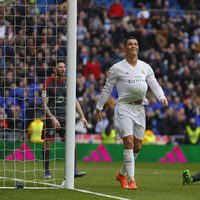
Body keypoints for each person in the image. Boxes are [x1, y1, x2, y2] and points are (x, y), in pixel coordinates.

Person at [94, 36, 168, 190]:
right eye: (130, 44)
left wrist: (161, 96)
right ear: (125, 48)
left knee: (138, 146)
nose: (133, 46)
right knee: (128, 142)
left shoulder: (145, 67)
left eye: (135, 44)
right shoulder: (117, 68)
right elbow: (107, 88)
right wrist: (99, 107)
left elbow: (153, 82)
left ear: (138, 47)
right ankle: (131, 180)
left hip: (140, 108)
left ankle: (121, 174)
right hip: (123, 108)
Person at [41, 59, 88, 179]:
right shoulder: (48, 83)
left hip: (64, 118)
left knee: (72, 143)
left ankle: (74, 169)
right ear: (54, 69)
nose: (63, 69)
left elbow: (74, 100)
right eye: (60, 67)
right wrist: (52, 117)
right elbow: (44, 104)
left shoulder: (68, 82)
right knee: (48, 142)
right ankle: (46, 171)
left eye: (64, 67)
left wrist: (82, 116)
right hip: (50, 117)